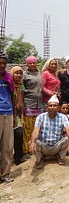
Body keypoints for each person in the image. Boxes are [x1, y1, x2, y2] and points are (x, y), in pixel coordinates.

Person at [29, 95, 69, 169]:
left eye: (54, 106)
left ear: (58, 107)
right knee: (35, 141)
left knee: (67, 139)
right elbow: (35, 130)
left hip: (56, 146)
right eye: (50, 106)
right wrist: (32, 142)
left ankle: (59, 156)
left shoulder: (63, 117)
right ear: (47, 107)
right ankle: (40, 159)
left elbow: (68, 129)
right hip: (43, 145)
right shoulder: (40, 117)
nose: (52, 107)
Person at [23, 55, 43, 160]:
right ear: (27, 64)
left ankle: (36, 148)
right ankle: (26, 150)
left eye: (33, 63)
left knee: (37, 128)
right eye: (30, 63)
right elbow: (21, 89)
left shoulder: (40, 74)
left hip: (39, 104)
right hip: (29, 103)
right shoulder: (24, 75)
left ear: (36, 63)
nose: (32, 64)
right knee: (28, 129)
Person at [0, 53, 14, 183]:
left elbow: (12, 96)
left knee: (7, 146)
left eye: (4, 63)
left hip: (8, 113)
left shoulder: (8, 78)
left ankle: (5, 174)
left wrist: (14, 114)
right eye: (0, 62)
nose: (2, 65)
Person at [10, 66, 25, 165]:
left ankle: (18, 158)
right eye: (16, 73)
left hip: (18, 115)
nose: (19, 75)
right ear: (12, 74)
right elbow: (11, 102)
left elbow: (22, 103)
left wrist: (22, 118)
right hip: (9, 113)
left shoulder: (22, 86)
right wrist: (14, 117)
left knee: (19, 134)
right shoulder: (9, 85)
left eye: (20, 73)